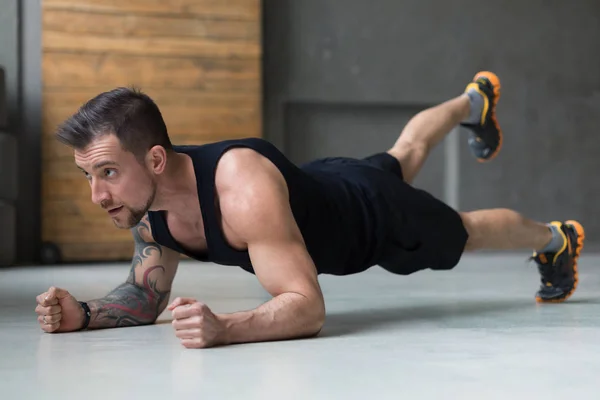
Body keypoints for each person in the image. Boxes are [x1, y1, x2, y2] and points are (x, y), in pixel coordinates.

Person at [35, 72, 585, 349]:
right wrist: (82, 313)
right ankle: (473, 102)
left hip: (369, 218)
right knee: (401, 154)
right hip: (325, 181)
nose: (98, 195)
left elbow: (306, 306)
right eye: (89, 176)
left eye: (107, 173)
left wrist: (226, 327)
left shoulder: (241, 188)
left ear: (155, 158)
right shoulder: (151, 206)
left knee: (463, 232)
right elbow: (143, 294)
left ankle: (554, 239)